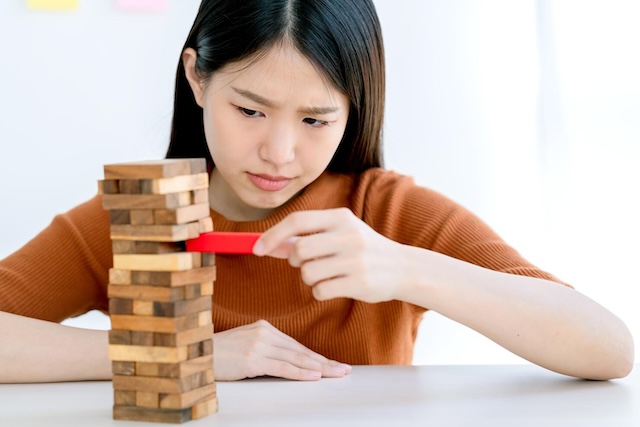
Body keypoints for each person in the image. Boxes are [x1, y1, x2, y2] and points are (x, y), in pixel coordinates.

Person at [0, 0, 633, 383]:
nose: (279, 152)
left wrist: (407, 268)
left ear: (354, 110)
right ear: (197, 78)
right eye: (249, 111)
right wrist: (175, 353)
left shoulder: (385, 213)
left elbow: (608, 349)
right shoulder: (137, 217)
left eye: (315, 120)